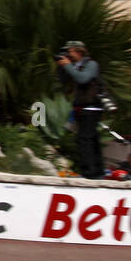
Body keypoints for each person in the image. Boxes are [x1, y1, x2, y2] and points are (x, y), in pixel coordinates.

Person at [57, 39, 104, 180]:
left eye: (69, 51)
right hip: (81, 108)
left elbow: (82, 79)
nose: (68, 54)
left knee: (85, 139)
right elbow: (63, 80)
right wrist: (62, 66)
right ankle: (97, 171)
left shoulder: (91, 64)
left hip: (91, 108)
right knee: (91, 139)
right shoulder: (75, 66)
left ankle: (88, 173)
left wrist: (68, 65)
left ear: (79, 51)